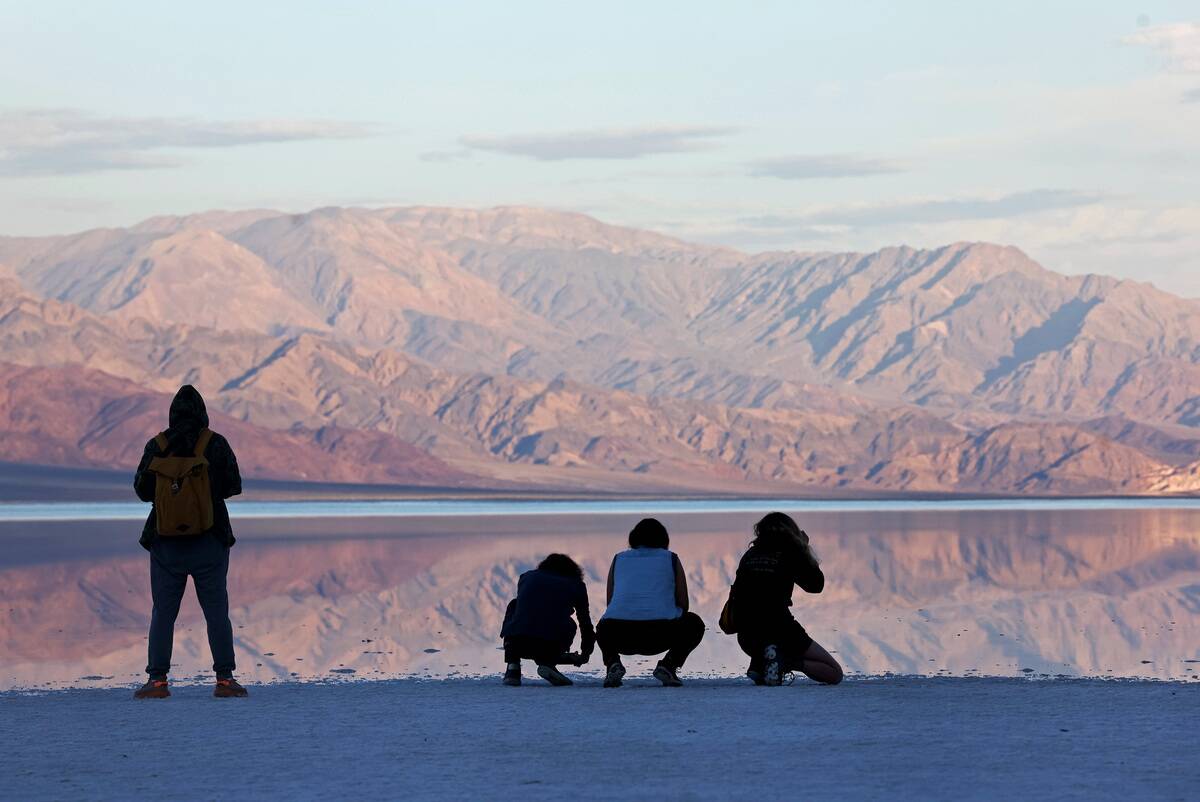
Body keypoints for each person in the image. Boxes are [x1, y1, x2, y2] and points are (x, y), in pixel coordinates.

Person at [131, 385, 247, 699]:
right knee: (216, 612)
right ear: (203, 412)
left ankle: (157, 681)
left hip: (166, 544)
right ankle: (225, 680)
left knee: (163, 613)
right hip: (210, 540)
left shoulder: (157, 445)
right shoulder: (215, 443)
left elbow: (142, 491)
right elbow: (233, 486)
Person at [729, 512, 842, 686]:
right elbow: (816, 586)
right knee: (835, 673)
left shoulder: (749, 556)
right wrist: (804, 548)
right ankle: (785, 662)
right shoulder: (789, 555)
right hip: (780, 630)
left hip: (746, 635)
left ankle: (762, 663)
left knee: (766, 648)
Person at [596, 518, 705, 688]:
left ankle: (612, 663)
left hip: (619, 635)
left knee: (603, 624)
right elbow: (683, 603)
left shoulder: (619, 558)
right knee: (695, 623)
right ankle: (668, 665)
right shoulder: (671, 558)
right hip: (660, 634)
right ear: (663, 539)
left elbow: (611, 602)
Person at [500, 553, 595, 686]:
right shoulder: (576, 585)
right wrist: (586, 652)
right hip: (549, 644)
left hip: (517, 643)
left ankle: (513, 667)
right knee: (568, 624)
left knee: (514, 605)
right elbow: (585, 622)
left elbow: (526, 611)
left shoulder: (527, 577)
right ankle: (548, 663)